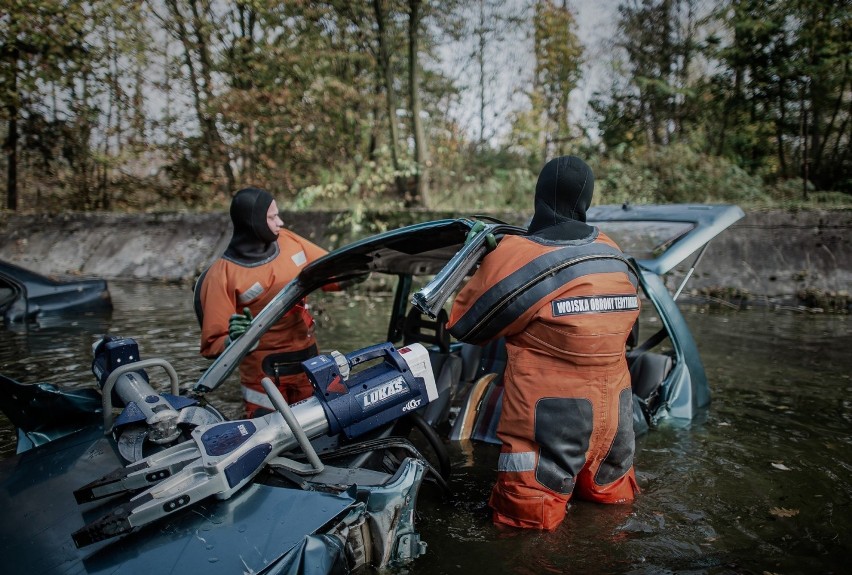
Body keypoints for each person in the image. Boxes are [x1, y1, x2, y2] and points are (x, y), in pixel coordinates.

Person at [447, 156, 641, 530]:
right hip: (616, 427)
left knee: (527, 536)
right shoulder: (616, 256)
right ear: (587, 198)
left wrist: (484, 263)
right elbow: (629, 335)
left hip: (549, 428)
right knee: (612, 523)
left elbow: (466, 328)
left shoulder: (519, 256)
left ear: (539, 196)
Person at [198, 186, 337, 417]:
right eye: (272, 217)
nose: (280, 222)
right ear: (252, 222)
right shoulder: (221, 275)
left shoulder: (290, 241)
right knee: (272, 439)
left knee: (333, 426)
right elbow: (212, 345)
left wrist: (359, 270)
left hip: (311, 365)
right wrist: (232, 340)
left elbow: (333, 271)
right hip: (264, 381)